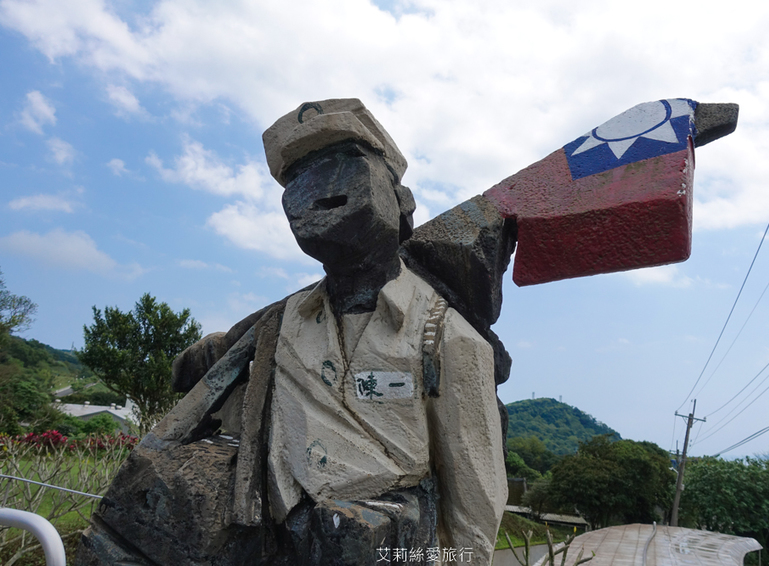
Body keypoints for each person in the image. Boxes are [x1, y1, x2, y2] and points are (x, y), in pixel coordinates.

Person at [76, 99, 507, 566]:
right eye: (298, 181)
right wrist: (211, 356)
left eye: (344, 167)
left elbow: (473, 508)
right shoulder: (278, 325)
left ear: (400, 201)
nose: (315, 190)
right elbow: (196, 375)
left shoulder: (447, 338)